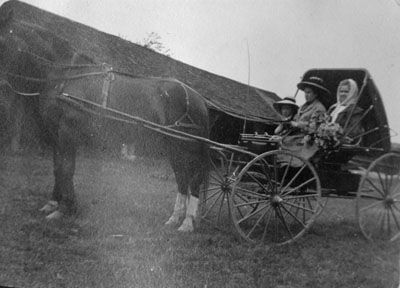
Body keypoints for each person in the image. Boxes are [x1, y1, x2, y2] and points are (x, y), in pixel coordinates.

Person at [280, 76, 331, 164]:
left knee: (283, 142)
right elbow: (295, 119)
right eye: (305, 92)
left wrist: (297, 124)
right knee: (277, 140)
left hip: (308, 139)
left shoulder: (319, 108)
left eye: (309, 92)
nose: (306, 95)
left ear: (316, 94)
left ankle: (288, 164)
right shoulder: (302, 107)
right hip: (296, 136)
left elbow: (316, 128)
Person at [327, 78, 364, 144]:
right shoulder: (333, 108)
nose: (343, 94)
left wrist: (335, 133)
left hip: (342, 144)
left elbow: (354, 131)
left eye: (346, 92)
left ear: (352, 93)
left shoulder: (355, 110)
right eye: (341, 91)